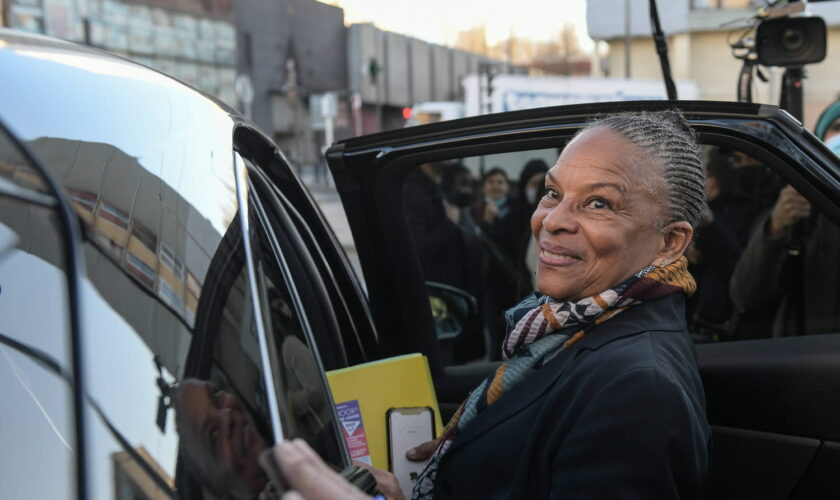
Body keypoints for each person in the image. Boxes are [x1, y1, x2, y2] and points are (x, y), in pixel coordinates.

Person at [272, 110, 712, 499]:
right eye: (553, 193)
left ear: (670, 242)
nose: (551, 221)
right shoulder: (575, 328)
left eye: (599, 203)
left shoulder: (636, 389)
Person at [730, 100, 840, 337]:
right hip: (803, 355)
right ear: (820, 140)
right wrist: (775, 229)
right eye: (838, 127)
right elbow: (745, 297)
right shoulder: (798, 204)